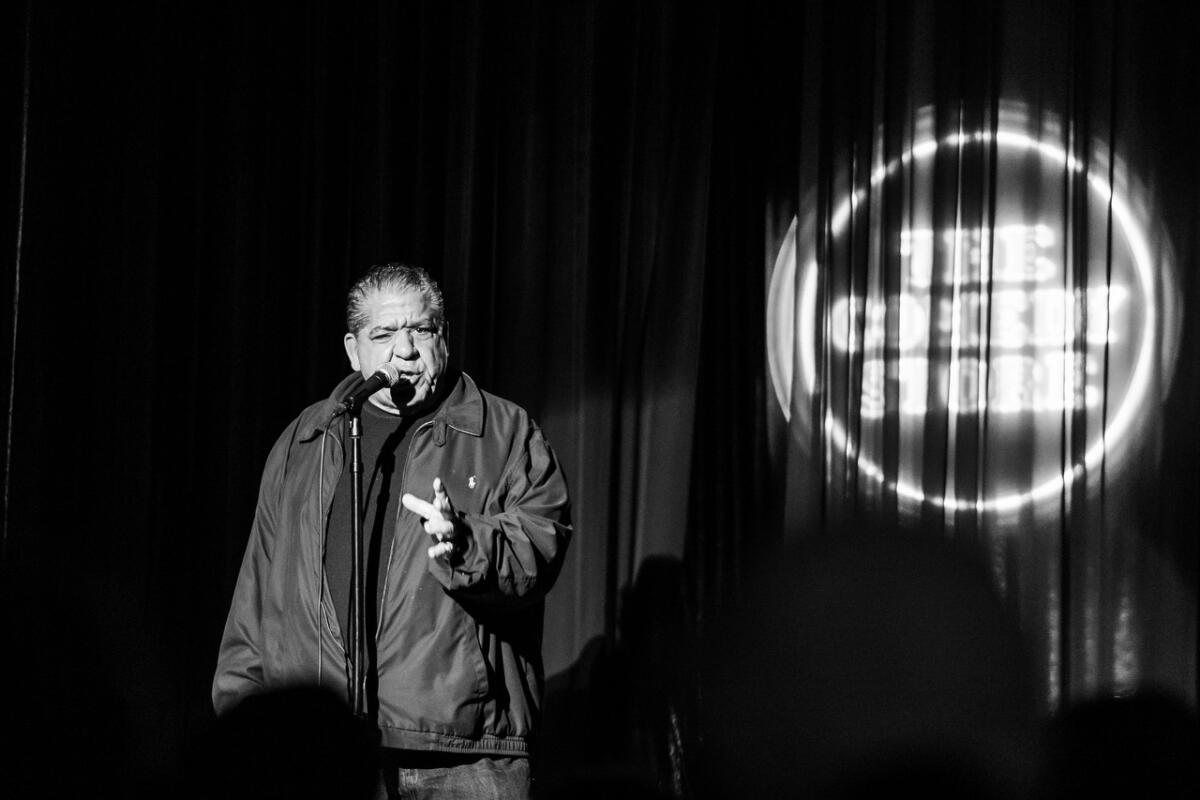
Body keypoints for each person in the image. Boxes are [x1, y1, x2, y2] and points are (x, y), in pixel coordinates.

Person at [213, 263, 572, 799]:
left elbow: (541, 546)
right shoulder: (305, 440)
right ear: (354, 351)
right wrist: (238, 723)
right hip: (316, 752)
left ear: (442, 339)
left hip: (458, 755)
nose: (405, 350)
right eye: (383, 334)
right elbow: (258, 597)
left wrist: (467, 543)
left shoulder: (504, 432)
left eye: (421, 330)